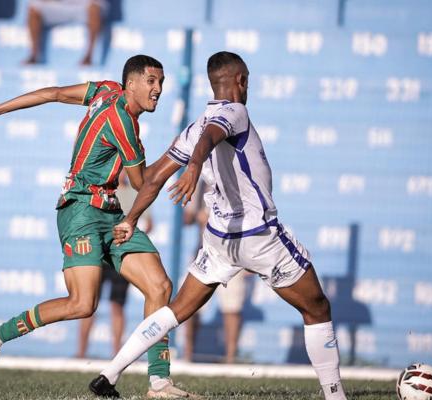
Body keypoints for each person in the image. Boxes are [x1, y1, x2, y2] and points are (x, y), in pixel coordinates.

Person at [88, 51, 348, 400]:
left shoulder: (194, 125)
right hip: (258, 235)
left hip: (219, 240)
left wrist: (131, 218)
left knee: (176, 310)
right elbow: (212, 136)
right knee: (317, 308)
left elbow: (152, 179)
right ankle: (335, 395)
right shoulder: (234, 111)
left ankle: (109, 374)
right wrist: (195, 166)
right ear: (242, 80)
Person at [0, 54, 193, 398]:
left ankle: (159, 383)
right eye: (151, 81)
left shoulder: (105, 90)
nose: (158, 89)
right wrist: (179, 154)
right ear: (131, 84)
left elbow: (53, 93)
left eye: (161, 82)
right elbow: (143, 184)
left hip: (110, 209)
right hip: (81, 210)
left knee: (159, 286)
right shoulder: (124, 123)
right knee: (82, 304)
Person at [76, 171, 153, 359]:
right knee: (87, 305)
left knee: (117, 305)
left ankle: (117, 354)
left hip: (122, 256)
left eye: (124, 169)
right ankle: (81, 353)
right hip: (100, 256)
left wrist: (131, 233)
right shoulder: (101, 192)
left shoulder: (136, 194)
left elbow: (149, 223)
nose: (121, 173)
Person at [183, 181, 246, 364]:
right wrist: (193, 213)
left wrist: (214, 218)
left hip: (232, 252)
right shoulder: (200, 184)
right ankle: (188, 355)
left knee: (232, 307)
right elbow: (187, 219)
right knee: (189, 305)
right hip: (204, 252)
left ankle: (230, 359)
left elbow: (248, 218)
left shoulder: (237, 183)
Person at [23, 0, 107, 65]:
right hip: (59, 5)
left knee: (95, 8)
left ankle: (89, 57)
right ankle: (34, 56)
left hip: (83, 6)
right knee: (34, 7)